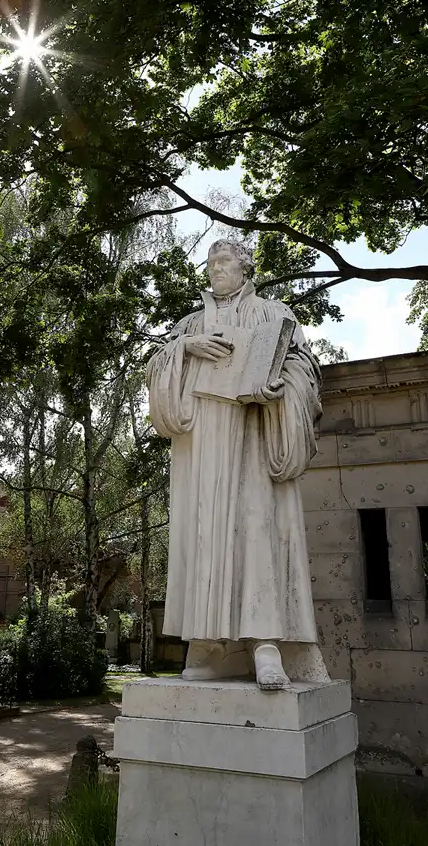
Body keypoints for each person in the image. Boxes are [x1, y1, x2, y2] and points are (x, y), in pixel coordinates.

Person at [147, 239, 329, 689]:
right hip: (202, 444)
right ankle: (210, 644)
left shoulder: (273, 314)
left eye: (224, 261)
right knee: (204, 535)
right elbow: (156, 372)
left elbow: (305, 370)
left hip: (252, 435)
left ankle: (265, 644)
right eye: (210, 263)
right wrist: (185, 348)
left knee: (256, 529)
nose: (215, 269)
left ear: (245, 268)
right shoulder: (190, 324)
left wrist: (278, 388)